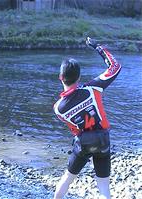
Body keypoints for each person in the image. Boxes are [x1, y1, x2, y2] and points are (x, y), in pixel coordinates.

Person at [53, 37, 122, 199]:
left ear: (60, 77)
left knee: (68, 178)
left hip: (83, 143)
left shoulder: (58, 109)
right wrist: (97, 46)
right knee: (103, 185)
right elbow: (115, 66)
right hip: (103, 140)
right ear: (79, 77)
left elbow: (75, 130)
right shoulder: (93, 89)